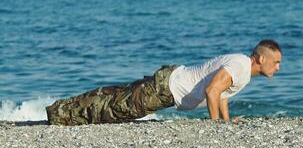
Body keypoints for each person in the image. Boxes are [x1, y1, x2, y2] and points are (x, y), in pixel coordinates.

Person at [46, 39, 282, 125]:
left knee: (117, 97)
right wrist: (215, 125)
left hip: (167, 84)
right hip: (165, 89)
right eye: (276, 62)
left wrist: (226, 122)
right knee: (114, 108)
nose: (278, 67)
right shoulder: (240, 65)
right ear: (262, 59)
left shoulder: (241, 67)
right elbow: (212, 91)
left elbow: (222, 94)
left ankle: (61, 109)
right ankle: (59, 114)